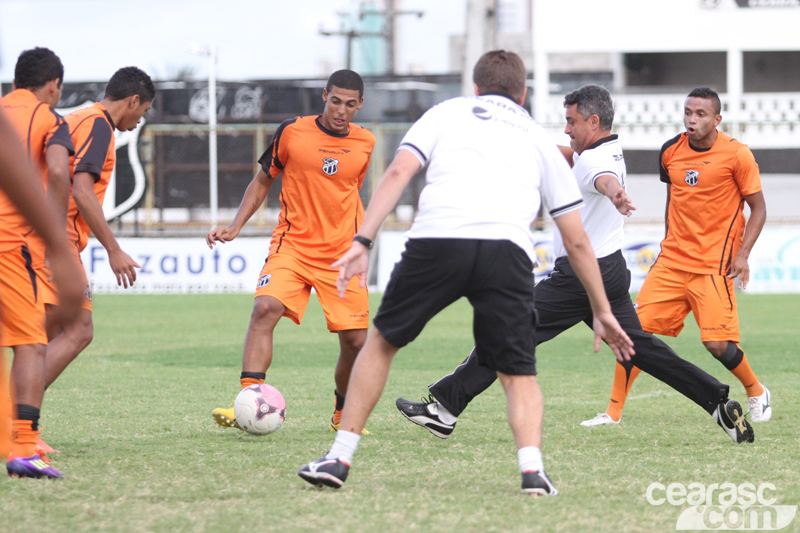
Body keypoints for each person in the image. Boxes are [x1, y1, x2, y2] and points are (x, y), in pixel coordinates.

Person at [298, 51, 634, 495]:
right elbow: (575, 239)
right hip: (505, 251)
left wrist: (363, 241)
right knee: (518, 372)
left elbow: (400, 170)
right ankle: (532, 471)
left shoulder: (445, 112)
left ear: (476, 87)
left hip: (438, 240)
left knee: (380, 344)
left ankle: (339, 457)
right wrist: (601, 307)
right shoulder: (536, 136)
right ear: (524, 93)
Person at [395, 85, 754, 448]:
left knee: (507, 330)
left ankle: (443, 410)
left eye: (571, 121)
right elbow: (572, 157)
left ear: (593, 121)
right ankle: (716, 402)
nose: (567, 129)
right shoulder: (606, 148)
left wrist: (616, 194)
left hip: (580, 278)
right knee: (638, 349)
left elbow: (603, 180)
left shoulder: (596, 164)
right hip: (610, 270)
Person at [581, 87, 770, 427]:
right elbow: (675, 201)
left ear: (717, 119)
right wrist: (668, 243)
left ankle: (756, 390)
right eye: (688, 112)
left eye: (700, 114)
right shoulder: (670, 151)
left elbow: (758, 208)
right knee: (631, 334)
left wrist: (743, 256)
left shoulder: (737, 155)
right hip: (671, 262)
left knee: (716, 344)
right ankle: (613, 412)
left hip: (714, 265)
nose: (691, 119)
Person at [207, 69, 375, 433]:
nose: (341, 111)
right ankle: (248, 402)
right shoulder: (291, 131)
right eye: (335, 101)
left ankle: (342, 412)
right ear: (324, 96)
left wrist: (362, 244)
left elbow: (352, 194)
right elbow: (263, 179)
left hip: (342, 255)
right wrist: (235, 226)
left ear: (359, 104)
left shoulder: (366, 143)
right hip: (293, 245)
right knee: (265, 307)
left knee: (356, 341)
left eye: (350, 104)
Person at [37, 67, 153, 396]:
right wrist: (114, 250)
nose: (140, 121)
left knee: (39, 333)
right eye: (143, 112)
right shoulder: (99, 125)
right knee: (78, 329)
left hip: (38, 234)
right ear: (133, 101)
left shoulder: (77, 118)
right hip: (56, 240)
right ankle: (18, 416)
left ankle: (19, 418)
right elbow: (82, 192)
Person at [0, 47, 81, 478]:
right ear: (53, 85)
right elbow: (59, 173)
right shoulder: (49, 119)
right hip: (12, 245)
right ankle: (25, 446)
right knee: (29, 344)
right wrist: (55, 241)